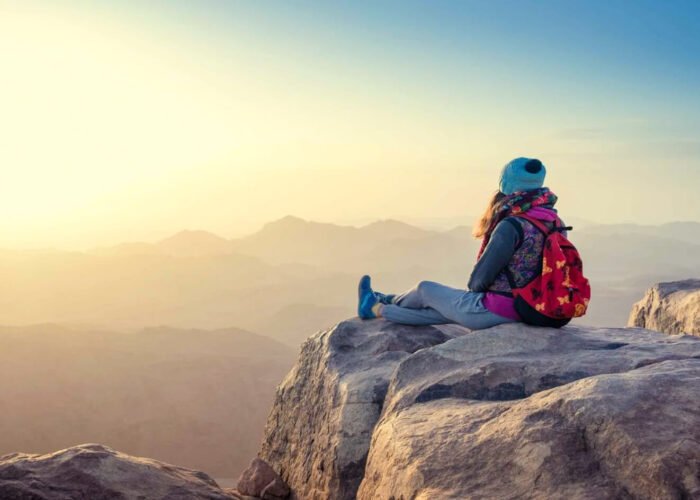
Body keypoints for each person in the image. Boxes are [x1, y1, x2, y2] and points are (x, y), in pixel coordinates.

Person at [357, 157, 565, 329]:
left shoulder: (511, 225)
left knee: (424, 289)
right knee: (440, 312)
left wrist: (474, 295)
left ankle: (383, 302)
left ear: (506, 184)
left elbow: (479, 280)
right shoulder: (556, 222)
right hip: (534, 309)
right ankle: (377, 307)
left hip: (497, 309)